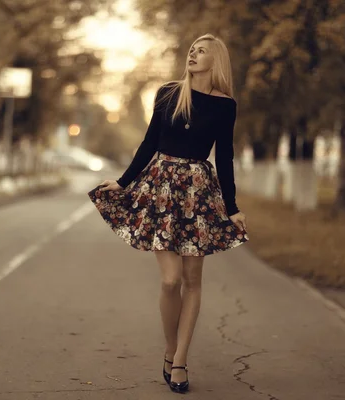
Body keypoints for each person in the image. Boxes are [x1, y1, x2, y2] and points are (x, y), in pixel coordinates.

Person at [87, 33, 249, 394]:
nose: (193, 53)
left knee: (192, 280)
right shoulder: (168, 93)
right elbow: (149, 142)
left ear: (216, 60)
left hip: (198, 194)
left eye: (201, 50)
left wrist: (233, 207)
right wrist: (124, 182)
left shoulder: (225, 105)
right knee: (170, 280)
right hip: (160, 189)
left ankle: (180, 360)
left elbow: (224, 157)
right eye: (191, 49)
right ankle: (169, 347)